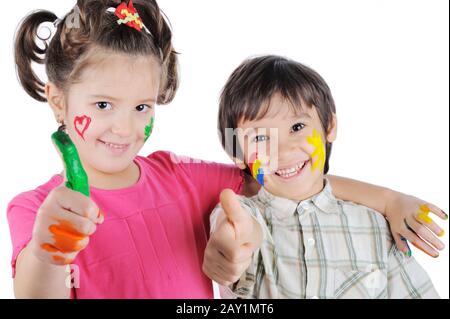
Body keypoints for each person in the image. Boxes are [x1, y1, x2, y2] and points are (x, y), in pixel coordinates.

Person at [8, 0, 446, 298]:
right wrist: (50, 248)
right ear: (59, 100)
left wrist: (390, 200)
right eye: (103, 105)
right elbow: (34, 290)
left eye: (142, 106)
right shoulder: (34, 208)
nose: (125, 127)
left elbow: (278, 173)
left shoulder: (182, 177)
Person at [204, 55, 444, 298]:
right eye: (261, 138)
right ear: (238, 153)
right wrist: (233, 245)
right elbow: (235, 234)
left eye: (297, 127)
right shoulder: (243, 216)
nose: (283, 150)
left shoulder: (374, 227)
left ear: (329, 126)